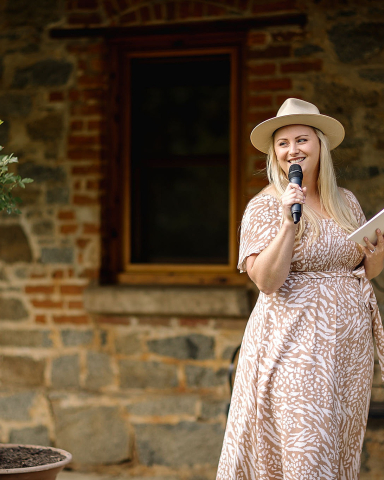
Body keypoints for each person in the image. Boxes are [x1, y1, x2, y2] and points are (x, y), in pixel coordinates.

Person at [216, 98, 384, 480]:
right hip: (294, 347)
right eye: (283, 143)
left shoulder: (346, 203)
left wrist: (378, 253)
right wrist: (288, 225)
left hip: (347, 352)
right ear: (275, 155)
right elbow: (267, 280)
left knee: (337, 443)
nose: (293, 149)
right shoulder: (265, 206)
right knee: (303, 448)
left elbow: (361, 271)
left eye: (302, 139)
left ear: (320, 145)